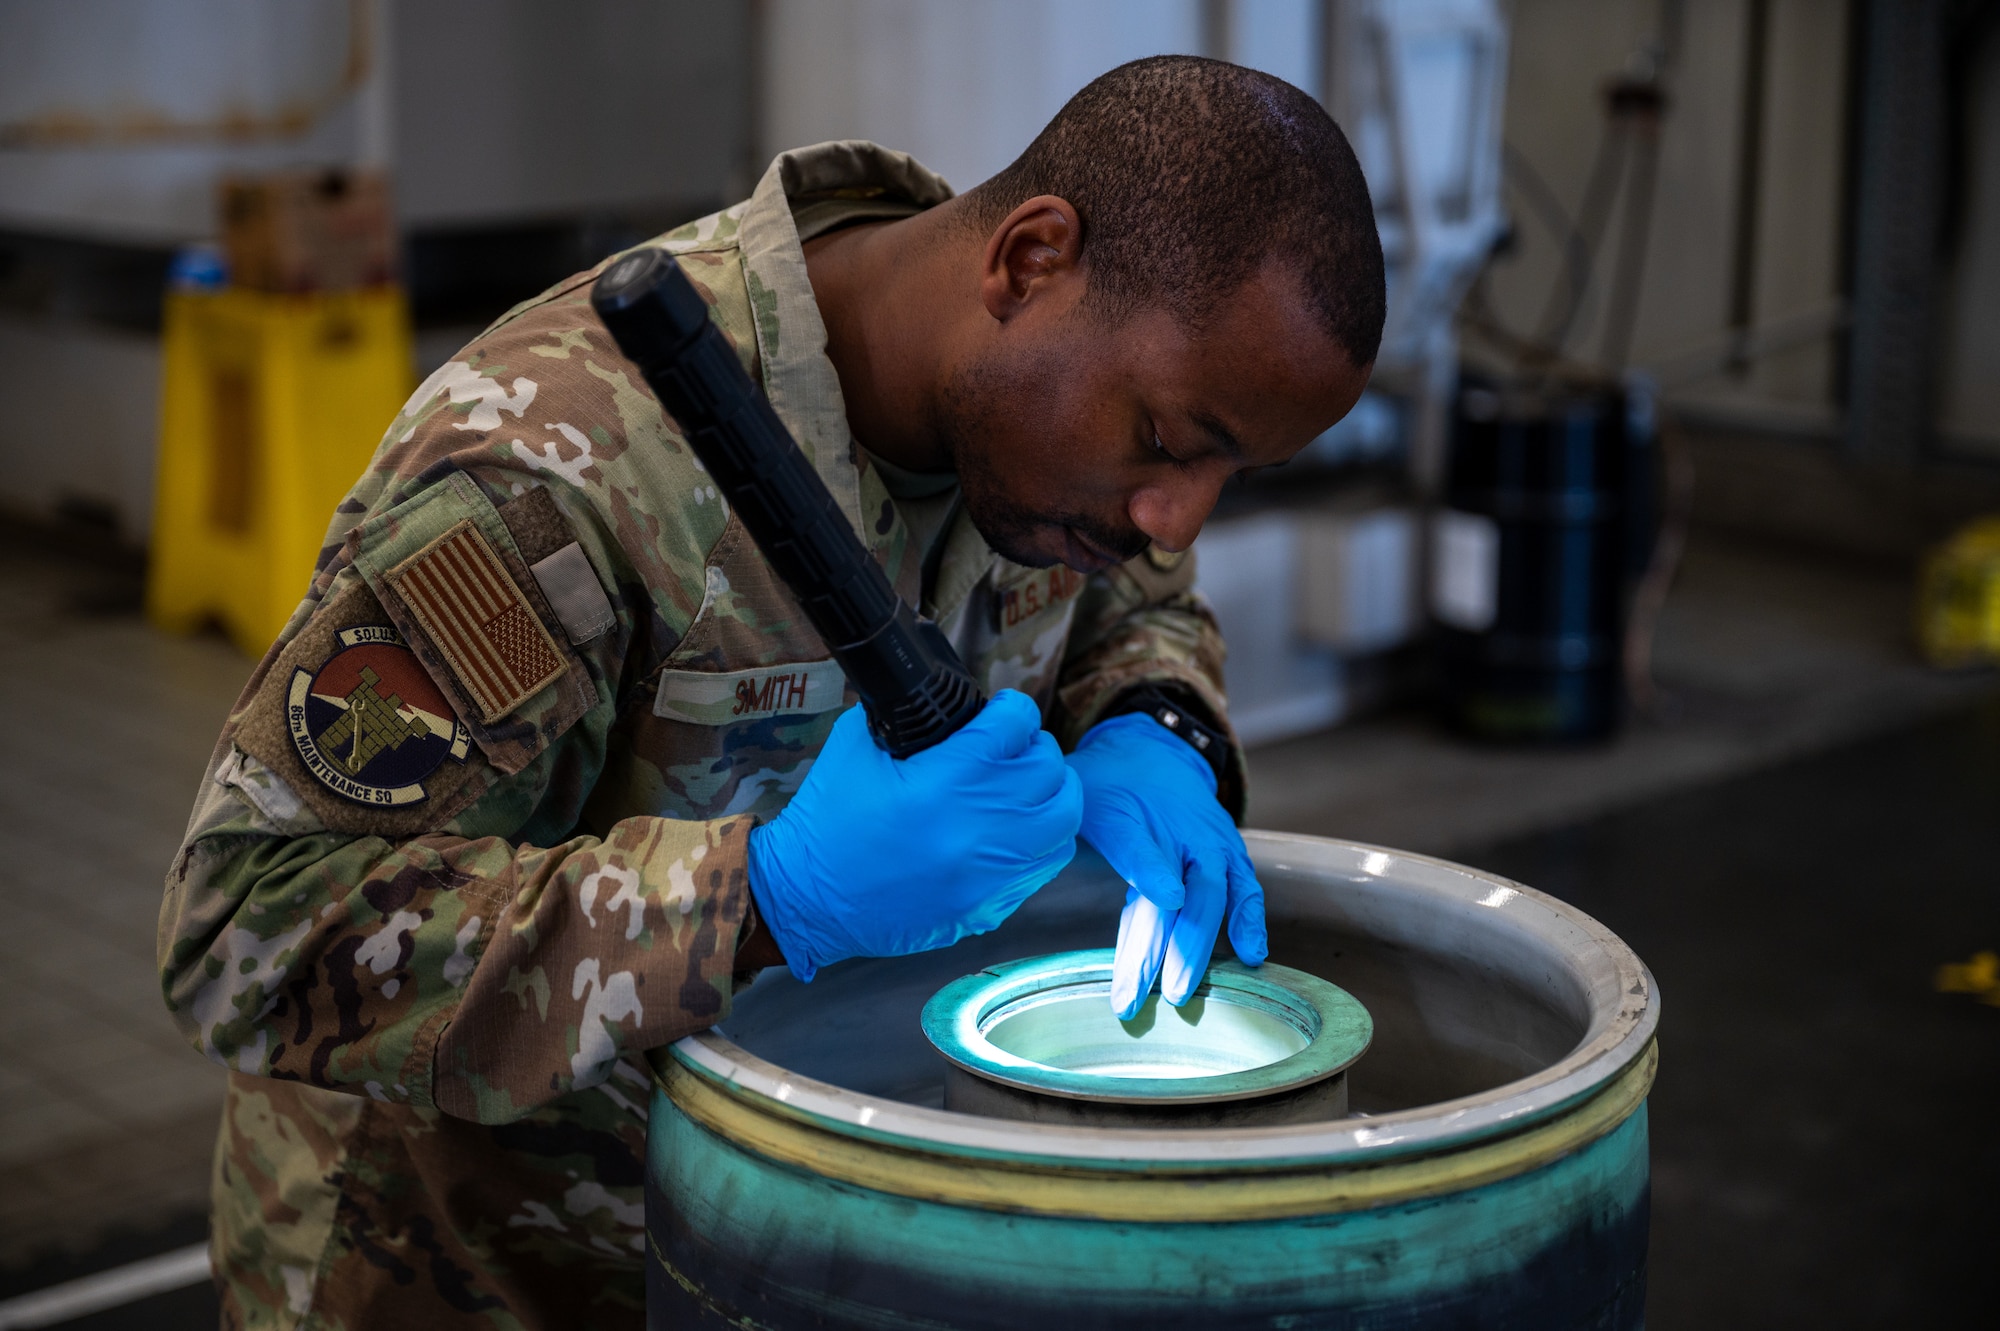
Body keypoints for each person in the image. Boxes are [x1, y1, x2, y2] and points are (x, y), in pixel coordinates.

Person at [158, 55, 1383, 1329]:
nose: (1172, 517)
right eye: (1169, 443)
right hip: (464, 1272)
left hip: (771, 1241)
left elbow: (1140, 604)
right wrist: (761, 897)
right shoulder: (559, 472)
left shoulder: (1047, 427)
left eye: (1231, 471)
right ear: (1028, 263)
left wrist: (1156, 722)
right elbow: (245, 928)